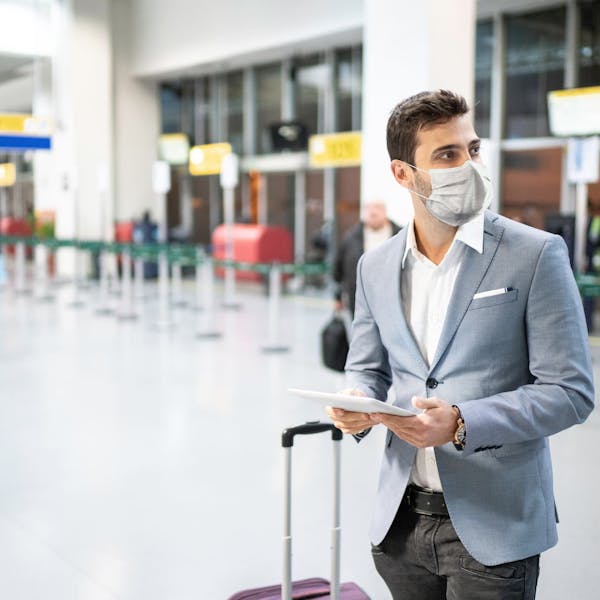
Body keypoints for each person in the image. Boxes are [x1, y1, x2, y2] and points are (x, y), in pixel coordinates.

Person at [326, 89, 595, 600]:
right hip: (400, 524)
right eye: (447, 155)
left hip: (494, 527)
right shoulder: (375, 267)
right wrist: (357, 401)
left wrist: (462, 421)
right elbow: (366, 368)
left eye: (471, 149)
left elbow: (571, 392)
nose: (467, 165)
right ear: (403, 174)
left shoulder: (535, 254)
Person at [333, 200, 401, 315]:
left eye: (377, 207)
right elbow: (338, 271)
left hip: (395, 299)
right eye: (368, 208)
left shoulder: (401, 236)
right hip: (360, 300)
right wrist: (338, 297)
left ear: (385, 212)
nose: (373, 212)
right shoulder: (350, 238)